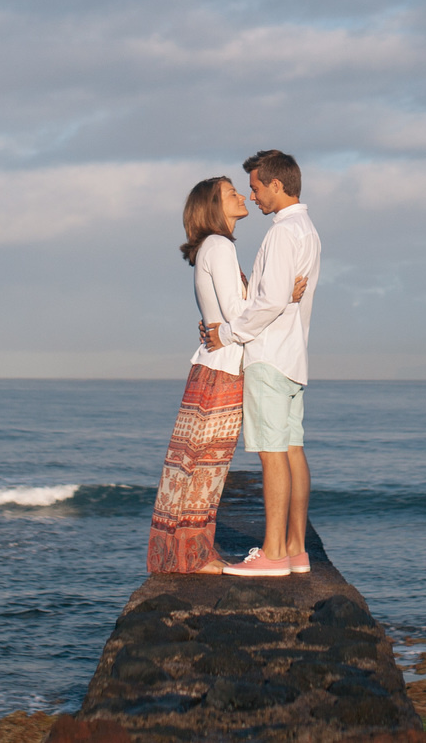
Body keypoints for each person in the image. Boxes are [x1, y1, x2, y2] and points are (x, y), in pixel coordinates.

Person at [146, 173, 312, 574]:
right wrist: (281, 295)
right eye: (231, 193)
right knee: (204, 464)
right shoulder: (218, 245)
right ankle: (191, 556)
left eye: (242, 190)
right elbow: (237, 314)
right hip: (222, 368)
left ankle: (188, 553)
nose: (242, 195)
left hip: (218, 363)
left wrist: (270, 296)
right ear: (212, 207)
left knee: (200, 463)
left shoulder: (217, 247)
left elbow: (230, 313)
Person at [213, 149, 319, 578]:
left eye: (256, 188)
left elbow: (271, 300)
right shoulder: (307, 230)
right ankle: (294, 549)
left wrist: (229, 332)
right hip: (293, 355)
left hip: (270, 355)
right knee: (293, 450)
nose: (253, 197)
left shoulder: (281, 234)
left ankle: (274, 554)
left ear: (277, 184)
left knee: (273, 455)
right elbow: (284, 297)